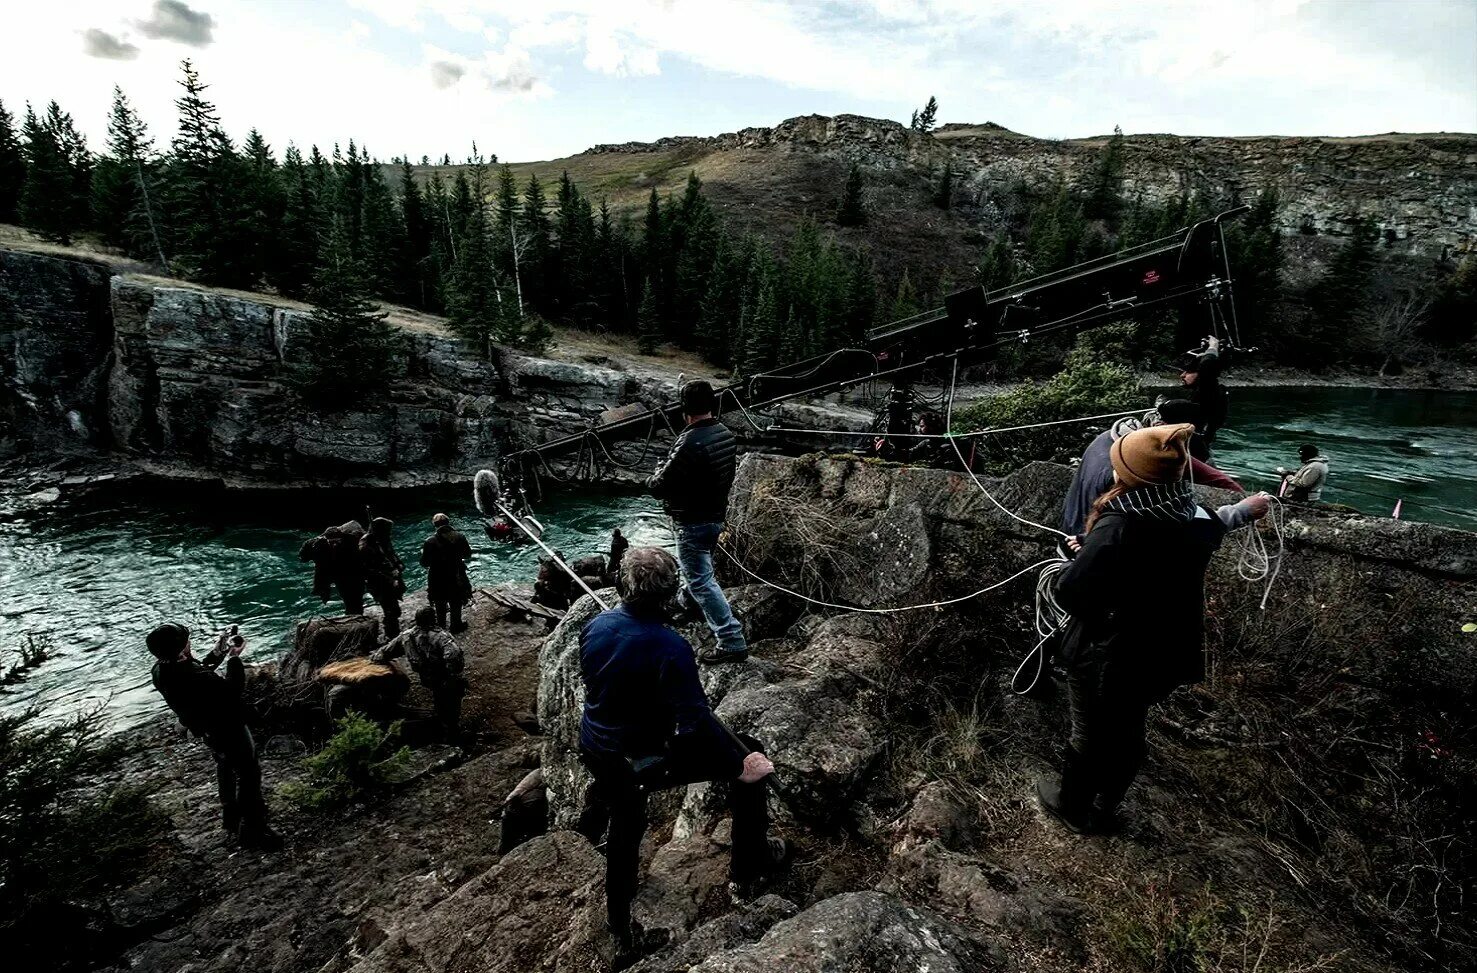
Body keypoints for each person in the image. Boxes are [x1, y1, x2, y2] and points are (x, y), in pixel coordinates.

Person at [1039, 423, 1270, 834]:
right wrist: (1243, 510)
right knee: (1129, 727)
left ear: (1127, 473)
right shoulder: (1191, 517)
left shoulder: (1118, 524)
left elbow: (1072, 592)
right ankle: (1108, 807)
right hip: (1160, 650)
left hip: (1105, 650)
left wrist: (1076, 559)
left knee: (1089, 730)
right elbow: (1214, 524)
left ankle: (1072, 806)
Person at [577, 547, 789, 965]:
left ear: (622, 586)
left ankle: (618, 921)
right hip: (639, 759)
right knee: (752, 759)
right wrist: (737, 766)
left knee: (625, 823)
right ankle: (750, 866)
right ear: (672, 594)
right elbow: (694, 722)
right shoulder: (670, 646)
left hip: (596, 746)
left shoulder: (596, 626)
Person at [148, 622, 282, 850]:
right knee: (248, 773)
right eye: (186, 641)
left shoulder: (161, 670)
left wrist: (218, 651)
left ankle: (231, 819)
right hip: (228, 726)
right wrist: (233, 658)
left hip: (207, 729)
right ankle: (253, 830)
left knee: (225, 766)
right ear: (180, 649)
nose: (189, 643)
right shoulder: (191, 675)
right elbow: (232, 690)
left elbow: (201, 671)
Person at [648, 379, 746, 664]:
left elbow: (659, 486)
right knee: (699, 569)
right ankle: (687, 604)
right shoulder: (725, 433)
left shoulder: (690, 441)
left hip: (692, 520)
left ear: (685, 409)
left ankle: (731, 640)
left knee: (701, 580)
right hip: (715, 516)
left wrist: (653, 474)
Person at [371, 605, 466, 742]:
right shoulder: (441, 637)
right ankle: (451, 733)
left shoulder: (406, 636)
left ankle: (443, 722)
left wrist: (372, 659)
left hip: (426, 677)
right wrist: (453, 674)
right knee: (451, 703)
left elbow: (386, 651)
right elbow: (454, 657)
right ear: (432, 619)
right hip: (444, 677)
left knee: (439, 697)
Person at [1177, 336, 1230, 462]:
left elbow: (1207, 366)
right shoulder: (1208, 390)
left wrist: (1213, 347)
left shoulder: (1208, 389)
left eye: (1188, 372)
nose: (1182, 375)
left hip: (1195, 451)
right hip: (1199, 446)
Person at [299, 522, 367, 615]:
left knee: (353, 599)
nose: (334, 543)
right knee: (350, 599)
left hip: (349, 570)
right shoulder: (316, 544)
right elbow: (303, 557)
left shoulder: (352, 540)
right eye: (332, 541)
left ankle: (354, 615)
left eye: (337, 541)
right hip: (338, 571)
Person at [421, 512, 473, 633]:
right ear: (448, 523)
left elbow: (424, 563)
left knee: (440, 602)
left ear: (435, 525)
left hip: (437, 577)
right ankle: (456, 625)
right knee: (456, 600)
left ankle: (441, 627)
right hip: (457, 574)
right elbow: (468, 555)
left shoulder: (430, 541)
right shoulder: (460, 536)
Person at [360, 516, 406, 639]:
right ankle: (392, 635)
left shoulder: (383, 540)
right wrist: (391, 578)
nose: (390, 532)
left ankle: (393, 632)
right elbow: (371, 569)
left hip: (390, 580)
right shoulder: (368, 544)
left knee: (393, 609)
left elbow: (390, 555)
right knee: (390, 609)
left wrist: (398, 565)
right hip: (380, 583)